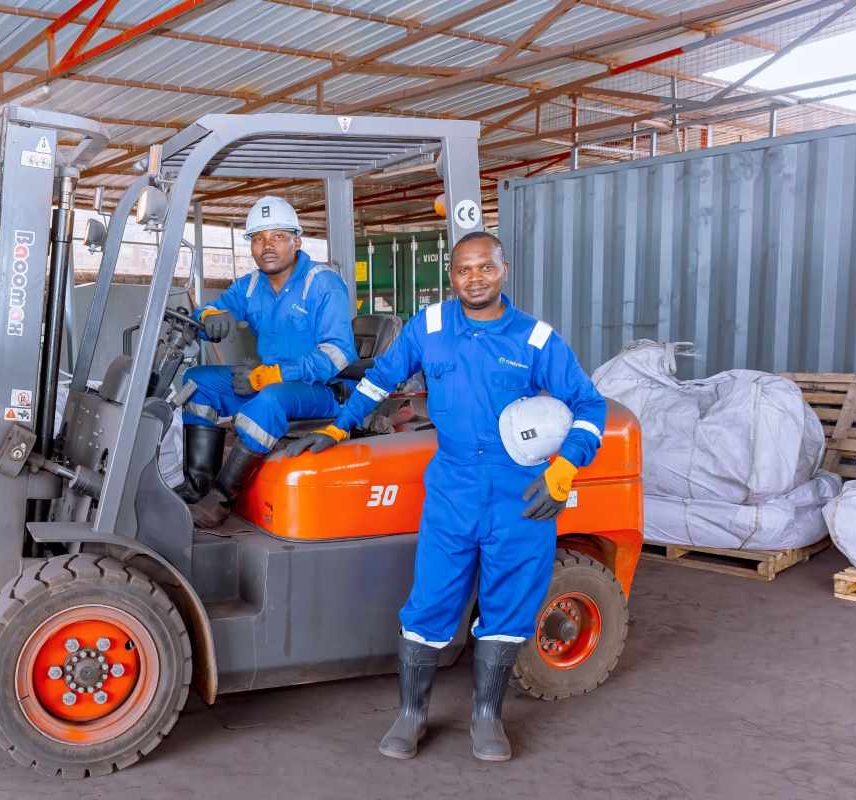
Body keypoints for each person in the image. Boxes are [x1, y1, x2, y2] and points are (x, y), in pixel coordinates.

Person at [286, 231, 606, 762]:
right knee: (429, 604)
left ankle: (487, 717)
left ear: (503, 270)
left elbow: (589, 406)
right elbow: (381, 379)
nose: (473, 278)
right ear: (451, 276)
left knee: (508, 608)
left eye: (484, 268)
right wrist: (341, 427)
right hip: (452, 492)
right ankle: (411, 716)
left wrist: (565, 468)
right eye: (462, 270)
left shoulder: (536, 340)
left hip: (519, 495)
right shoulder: (429, 327)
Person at [180, 195, 357, 528]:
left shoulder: (322, 283)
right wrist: (211, 316)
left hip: (321, 390)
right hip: (268, 380)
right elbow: (208, 310)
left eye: (277, 236)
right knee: (198, 381)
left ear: (296, 240)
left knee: (270, 399)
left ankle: (219, 499)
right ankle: (198, 484)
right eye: (259, 238)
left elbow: (338, 354)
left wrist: (273, 375)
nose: (267, 246)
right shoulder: (251, 287)